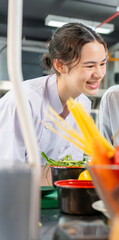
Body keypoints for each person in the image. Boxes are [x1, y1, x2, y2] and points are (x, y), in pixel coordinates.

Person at [0, 22, 108, 165]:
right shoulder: (22, 103)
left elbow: (70, 167)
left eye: (102, 64)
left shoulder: (83, 104)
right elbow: (8, 173)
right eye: (89, 66)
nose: (100, 74)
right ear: (60, 66)